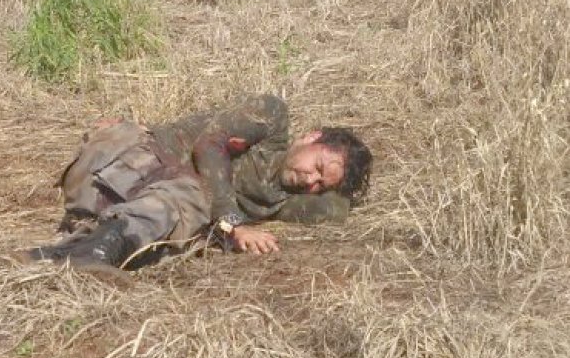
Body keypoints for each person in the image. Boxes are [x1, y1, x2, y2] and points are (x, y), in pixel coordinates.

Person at [28, 94, 372, 269]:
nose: (309, 181)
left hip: (115, 197)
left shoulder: (281, 200)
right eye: (318, 166)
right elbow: (210, 145)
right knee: (191, 203)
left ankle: (76, 249)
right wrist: (232, 223)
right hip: (130, 155)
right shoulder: (271, 119)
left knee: (175, 230)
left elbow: (338, 209)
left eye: (320, 185)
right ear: (312, 137)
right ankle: (96, 249)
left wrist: (340, 187)